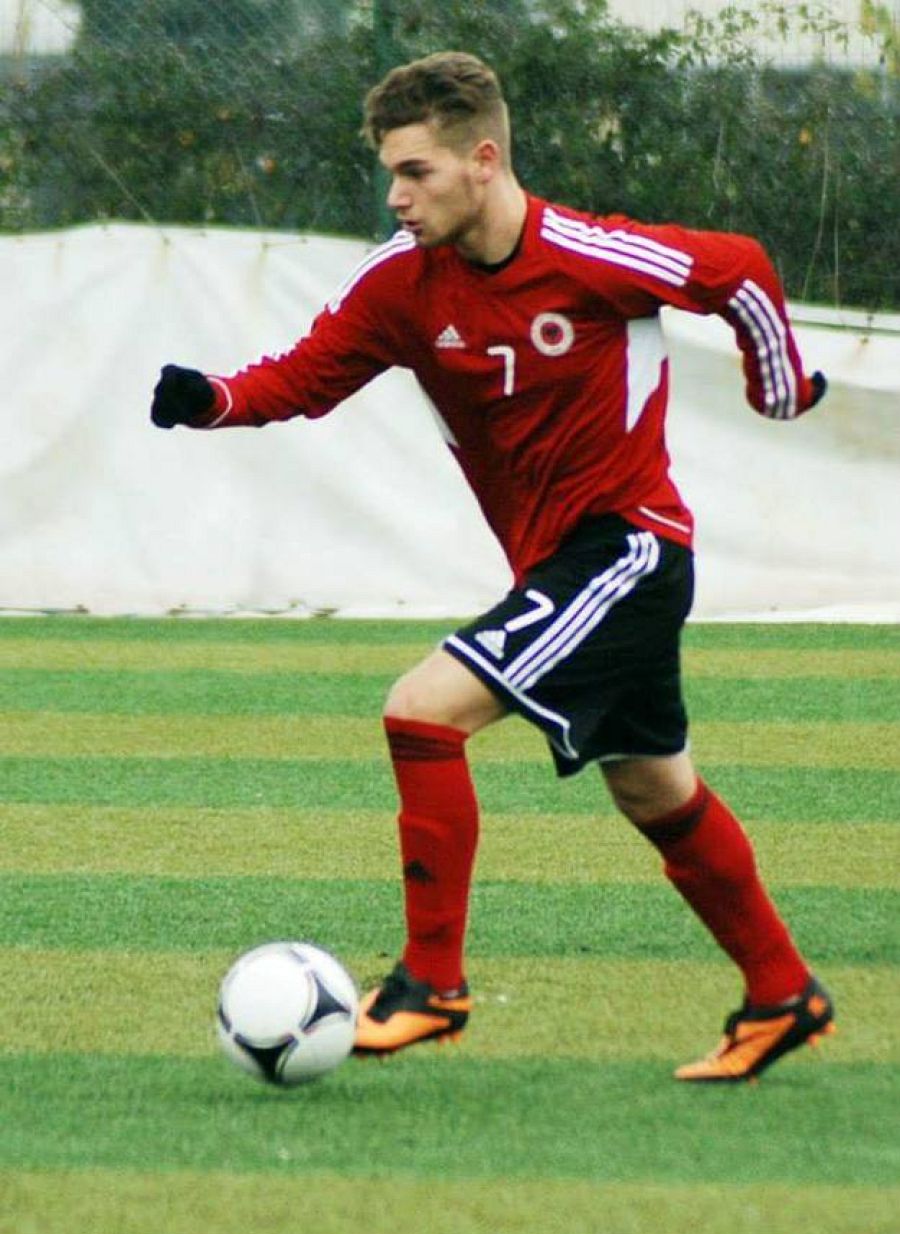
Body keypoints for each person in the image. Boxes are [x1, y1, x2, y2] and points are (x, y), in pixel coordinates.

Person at [151, 50, 835, 1082]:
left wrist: (779, 390)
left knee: (422, 709)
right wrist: (214, 398)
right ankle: (784, 993)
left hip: (632, 546)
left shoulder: (588, 254)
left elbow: (736, 266)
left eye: (415, 171)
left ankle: (434, 985)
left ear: (482, 160)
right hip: (563, 567)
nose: (397, 194)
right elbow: (308, 373)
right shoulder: (399, 283)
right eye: (389, 171)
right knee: (654, 791)